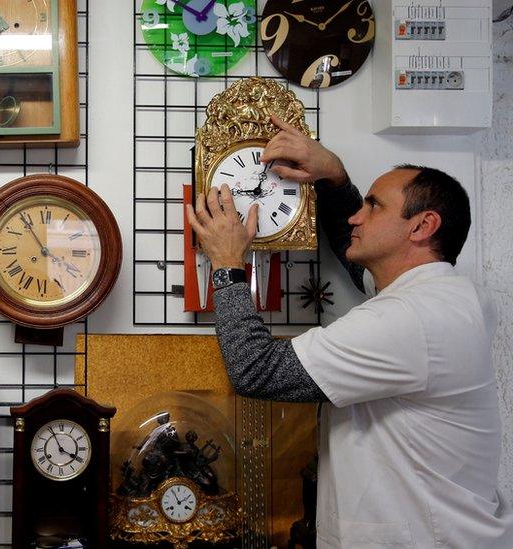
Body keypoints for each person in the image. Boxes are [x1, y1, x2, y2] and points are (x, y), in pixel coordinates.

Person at [186, 114, 513, 548]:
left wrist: (228, 266)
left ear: (422, 226)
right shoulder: (447, 299)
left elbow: (256, 370)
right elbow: (356, 255)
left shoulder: (410, 319)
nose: (358, 216)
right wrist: (334, 179)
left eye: (374, 205)